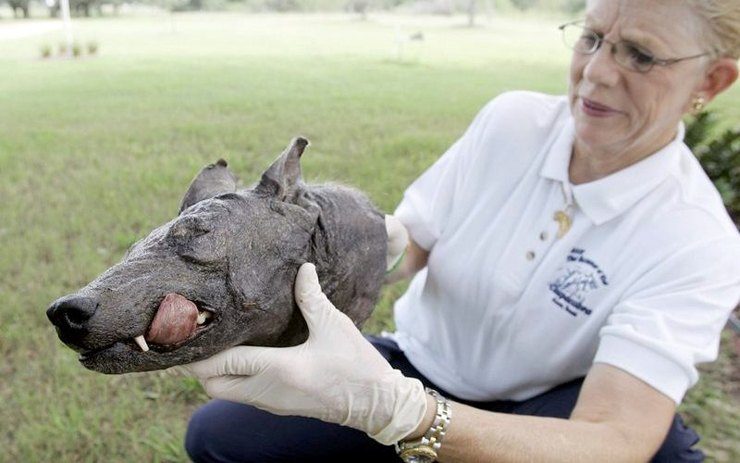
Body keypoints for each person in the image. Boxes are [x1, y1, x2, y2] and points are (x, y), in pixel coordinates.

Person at [182, 0, 740, 461]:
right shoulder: (513, 123)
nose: (596, 71)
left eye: (640, 55)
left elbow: (616, 438)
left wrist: (400, 413)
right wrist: (323, 256)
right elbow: (413, 245)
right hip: (417, 366)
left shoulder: (696, 240)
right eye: (591, 37)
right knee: (219, 438)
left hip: (542, 408)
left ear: (711, 81)